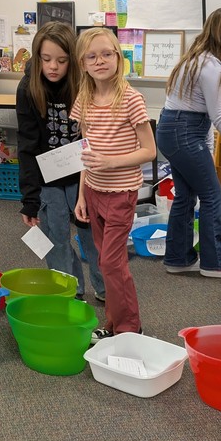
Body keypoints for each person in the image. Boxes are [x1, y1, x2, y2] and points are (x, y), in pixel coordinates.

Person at [155, 8, 221, 279]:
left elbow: (202, 118)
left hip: (171, 129)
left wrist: (209, 148)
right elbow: (219, 117)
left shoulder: (194, 60)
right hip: (184, 131)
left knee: (185, 196)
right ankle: (215, 263)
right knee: (212, 195)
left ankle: (178, 258)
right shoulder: (212, 67)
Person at [72, 27, 157, 344]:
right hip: (93, 192)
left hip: (121, 193)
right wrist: (81, 194)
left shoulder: (131, 99)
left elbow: (150, 151)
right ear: (83, 63)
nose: (100, 60)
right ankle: (114, 323)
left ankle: (130, 327)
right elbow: (86, 150)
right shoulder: (84, 99)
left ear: (118, 58)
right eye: (92, 56)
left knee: (111, 261)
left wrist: (111, 162)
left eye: (107, 53)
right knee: (103, 261)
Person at [16, 22, 106, 303]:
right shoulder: (28, 88)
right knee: (56, 243)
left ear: (74, 61)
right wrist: (29, 199)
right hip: (48, 180)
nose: (53, 66)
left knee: (93, 240)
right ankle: (70, 293)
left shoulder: (85, 85)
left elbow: (99, 136)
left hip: (85, 177)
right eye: (46, 59)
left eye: (62, 60)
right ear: (37, 57)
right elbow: (27, 147)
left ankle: (106, 290)